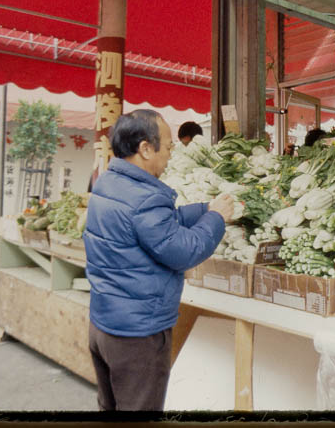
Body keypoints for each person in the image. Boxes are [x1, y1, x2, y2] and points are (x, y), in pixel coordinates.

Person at [83, 109, 234, 411]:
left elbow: (163, 223)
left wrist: (204, 208)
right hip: (137, 336)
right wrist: (217, 218)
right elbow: (184, 251)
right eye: (168, 147)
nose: (170, 155)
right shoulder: (143, 198)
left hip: (104, 325)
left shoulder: (108, 183)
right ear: (145, 148)